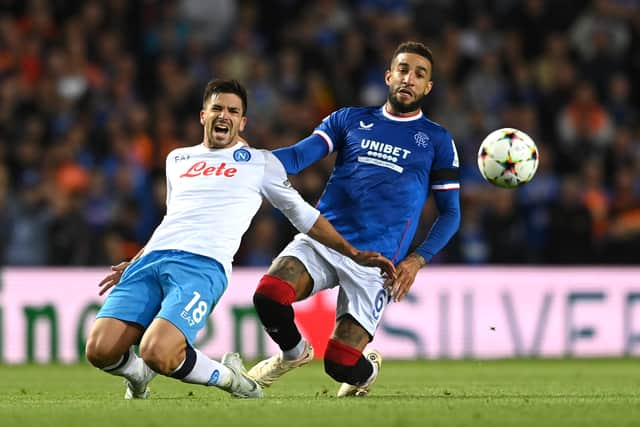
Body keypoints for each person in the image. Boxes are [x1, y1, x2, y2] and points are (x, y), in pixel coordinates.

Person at [84, 78, 396, 400]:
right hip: (152, 259)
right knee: (99, 349)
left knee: (157, 352)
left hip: (201, 267)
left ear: (242, 122)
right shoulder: (177, 160)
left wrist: (352, 252)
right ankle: (136, 376)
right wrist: (135, 260)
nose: (224, 115)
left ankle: (232, 379)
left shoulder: (259, 163)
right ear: (203, 115)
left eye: (233, 111)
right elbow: (173, 219)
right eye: (217, 108)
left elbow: (304, 216)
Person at [248, 41, 461, 397]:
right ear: (389, 76)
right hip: (326, 238)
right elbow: (301, 156)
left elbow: (451, 213)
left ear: (428, 87)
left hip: (377, 262)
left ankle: (367, 372)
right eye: (404, 70)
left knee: (341, 364)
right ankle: (294, 353)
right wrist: (251, 160)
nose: (410, 78)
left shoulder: (437, 140)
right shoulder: (349, 119)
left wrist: (417, 259)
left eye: (420, 74)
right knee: (270, 295)